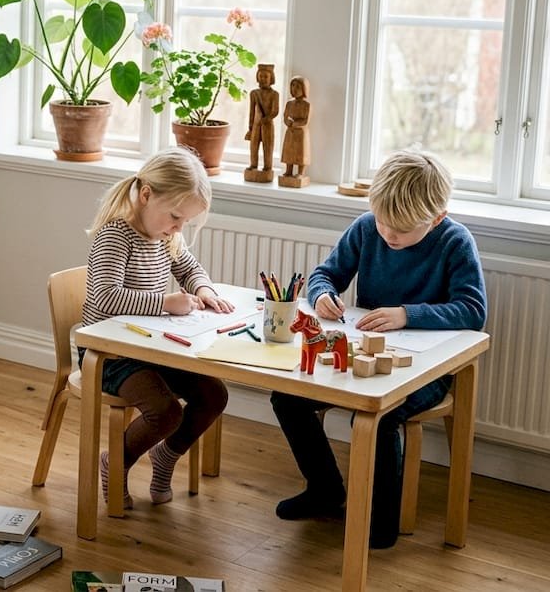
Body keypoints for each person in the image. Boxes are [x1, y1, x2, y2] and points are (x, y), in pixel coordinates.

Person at [270, 150, 486, 549]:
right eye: (385, 223)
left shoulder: (455, 241)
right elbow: (324, 274)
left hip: (425, 367)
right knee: (287, 397)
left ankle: (381, 519)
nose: (390, 235)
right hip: (362, 354)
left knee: (379, 418)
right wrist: (321, 296)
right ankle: (325, 488)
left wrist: (407, 314)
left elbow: (473, 311)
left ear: (436, 218)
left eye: (402, 230)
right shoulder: (367, 227)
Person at [83, 147, 233, 508]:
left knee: (214, 395)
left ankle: (166, 456)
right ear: (147, 195)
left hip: (152, 348)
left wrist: (203, 289)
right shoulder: (115, 236)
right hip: (111, 355)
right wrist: (166, 303)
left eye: (185, 222)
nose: (179, 228)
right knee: (165, 412)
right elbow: (105, 297)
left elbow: (189, 267)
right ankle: (115, 462)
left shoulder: (165, 236)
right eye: (176, 217)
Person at [245, 63, 278, 172]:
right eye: (261, 76)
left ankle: (267, 167)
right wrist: (250, 128)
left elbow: (275, 111)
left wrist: (267, 118)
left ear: (271, 78)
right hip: (256, 124)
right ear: (257, 77)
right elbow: (251, 112)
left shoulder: (274, 94)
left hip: (267, 124)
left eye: (266, 77)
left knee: (267, 147)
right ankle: (253, 165)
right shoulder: (254, 93)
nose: (263, 79)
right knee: (253, 146)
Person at [280, 76, 311, 180]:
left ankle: (301, 173)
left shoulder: (307, 105)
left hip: (301, 133)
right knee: (289, 152)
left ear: (304, 89)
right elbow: (285, 116)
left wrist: (295, 123)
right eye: (293, 86)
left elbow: (305, 121)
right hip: (290, 132)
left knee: (300, 153)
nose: (295, 88)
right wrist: (287, 122)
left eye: (298, 86)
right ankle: (288, 170)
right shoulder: (289, 104)